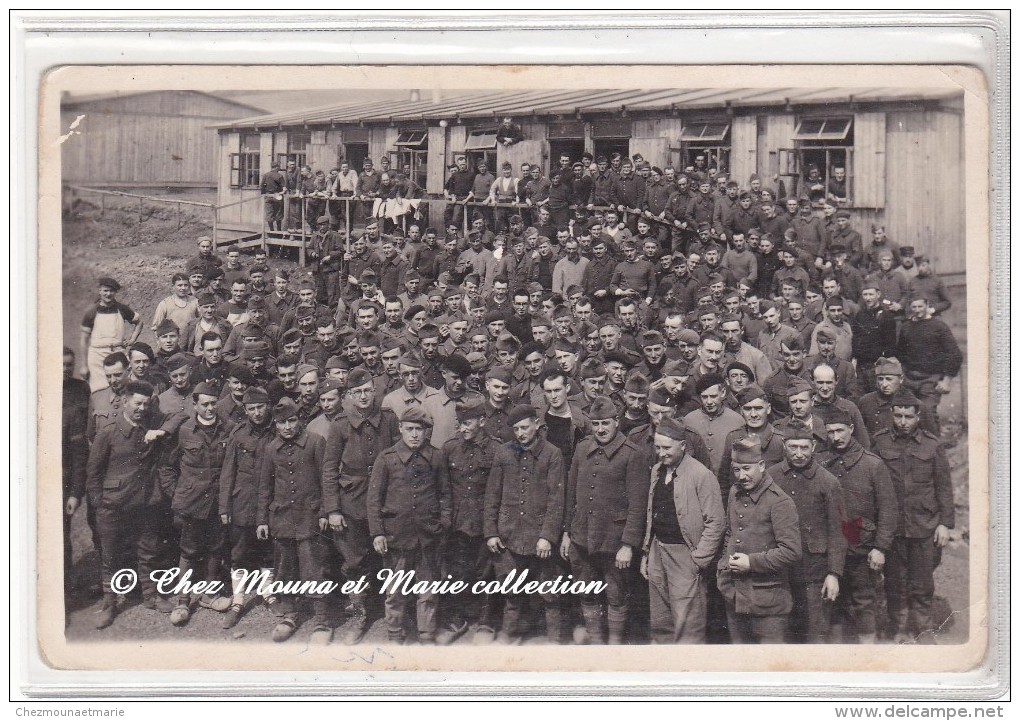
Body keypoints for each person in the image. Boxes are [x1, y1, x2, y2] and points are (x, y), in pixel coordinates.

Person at [562, 396, 649, 645]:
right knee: (587, 593)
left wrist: (628, 545)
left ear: (617, 422)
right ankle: (598, 645)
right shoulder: (582, 449)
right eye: (596, 423)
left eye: (606, 423)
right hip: (582, 538)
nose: (600, 429)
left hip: (614, 543)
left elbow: (637, 505)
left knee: (616, 596)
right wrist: (567, 532)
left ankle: (613, 648)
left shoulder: (633, 455)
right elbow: (571, 493)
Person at [322, 367, 400, 644]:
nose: (364, 396)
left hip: (384, 499)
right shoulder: (340, 424)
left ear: (375, 390)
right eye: (358, 392)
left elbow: (398, 459)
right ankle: (361, 613)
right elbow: (330, 469)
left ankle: (392, 612)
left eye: (368, 390)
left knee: (387, 555)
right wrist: (332, 509)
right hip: (352, 499)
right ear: (349, 395)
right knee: (354, 560)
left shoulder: (389, 420)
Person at [86, 381, 173, 628]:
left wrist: (160, 431)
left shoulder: (149, 428)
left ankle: (151, 596)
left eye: (146, 404)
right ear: (125, 402)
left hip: (144, 502)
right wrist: (98, 504)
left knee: (148, 550)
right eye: (137, 403)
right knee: (111, 556)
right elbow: (93, 473)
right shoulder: (108, 432)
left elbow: (178, 416)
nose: (142, 409)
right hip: (113, 505)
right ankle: (109, 603)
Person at [871, 389, 954, 644]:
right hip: (893, 527)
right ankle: (898, 628)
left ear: (918, 415)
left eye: (908, 416)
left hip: (924, 525)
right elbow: (873, 485)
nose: (903, 421)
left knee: (922, 582)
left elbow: (943, 487)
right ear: (892, 415)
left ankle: (924, 629)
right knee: (894, 581)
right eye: (898, 416)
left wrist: (945, 524)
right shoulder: (881, 442)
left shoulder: (932, 444)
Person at [483, 404, 567, 644]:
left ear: (537, 425)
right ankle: (510, 634)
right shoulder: (503, 453)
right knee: (511, 588)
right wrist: (491, 532)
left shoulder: (552, 454)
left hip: (540, 536)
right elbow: (492, 495)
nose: (520, 433)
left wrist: (547, 536)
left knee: (549, 591)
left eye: (524, 427)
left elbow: (556, 499)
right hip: (509, 534)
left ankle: (554, 640)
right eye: (516, 429)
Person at [368, 405, 452, 644]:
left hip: (428, 535)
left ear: (427, 432)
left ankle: (426, 632)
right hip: (397, 535)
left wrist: (443, 523)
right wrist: (378, 533)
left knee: (427, 588)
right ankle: (395, 632)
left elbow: (445, 494)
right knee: (395, 590)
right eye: (410, 429)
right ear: (401, 429)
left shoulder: (436, 457)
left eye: (420, 429)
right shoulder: (387, 458)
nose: (415, 434)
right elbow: (373, 500)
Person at [640, 416, 725, 644]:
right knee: (661, 623)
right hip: (659, 552)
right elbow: (651, 513)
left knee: (688, 626)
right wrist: (647, 553)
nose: (661, 453)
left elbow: (716, 522)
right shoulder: (657, 471)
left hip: (685, 556)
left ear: (683, 446)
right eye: (657, 447)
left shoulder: (701, 475)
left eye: (667, 448)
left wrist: (698, 560)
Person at [255, 398, 332, 643]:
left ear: (299, 420)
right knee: (284, 570)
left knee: (314, 570)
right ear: (275, 425)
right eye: (281, 423)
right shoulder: (271, 448)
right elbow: (265, 487)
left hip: (309, 517)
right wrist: (262, 520)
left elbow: (325, 481)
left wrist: (324, 513)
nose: (287, 427)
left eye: (291, 421)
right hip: (282, 520)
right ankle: (290, 614)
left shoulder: (315, 442)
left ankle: (322, 620)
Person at [818, 407, 897, 643]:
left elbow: (888, 509)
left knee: (864, 602)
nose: (836, 437)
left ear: (851, 429)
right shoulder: (821, 462)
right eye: (830, 432)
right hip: (830, 549)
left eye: (840, 431)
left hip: (861, 547)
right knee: (831, 602)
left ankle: (868, 654)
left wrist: (881, 547)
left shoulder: (873, 465)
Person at [716, 438, 802, 644]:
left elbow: (791, 551)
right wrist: (723, 565)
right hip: (735, 596)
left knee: (768, 665)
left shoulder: (779, 501)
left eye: (747, 468)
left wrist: (751, 562)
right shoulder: (735, 492)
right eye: (736, 470)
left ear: (762, 466)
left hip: (768, 602)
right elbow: (730, 532)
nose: (742, 476)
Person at [164, 382, 235, 627]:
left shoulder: (229, 429)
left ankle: (209, 594)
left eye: (213, 403)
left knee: (216, 547)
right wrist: (178, 493)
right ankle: (183, 600)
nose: (209, 408)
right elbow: (166, 466)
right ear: (195, 405)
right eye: (204, 404)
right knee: (189, 550)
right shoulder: (184, 431)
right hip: (192, 501)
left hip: (218, 500)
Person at [768, 428, 847, 643]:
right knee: (780, 634)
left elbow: (838, 532)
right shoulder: (771, 477)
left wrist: (834, 573)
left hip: (814, 571)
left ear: (813, 448)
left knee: (815, 633)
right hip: (779, 571)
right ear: (784, 446)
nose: (799, 453)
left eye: (804, 447)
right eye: (793, 447)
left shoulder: (828, 482)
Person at [895, 296, 963, 435]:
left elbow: (955, 354)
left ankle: (936, 450)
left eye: (920, 306)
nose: (917, 310)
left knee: (927, 413)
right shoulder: (906, 326)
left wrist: (946, 380)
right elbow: (900, 353)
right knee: (908, 415)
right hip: (909, 379)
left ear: (927, 305)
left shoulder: (939, 326)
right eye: (914, 307)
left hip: (931, 379)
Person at [80, 277, 142, 391]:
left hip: (118, 352)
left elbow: (139, 322)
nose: (108, 294)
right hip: (97, 357)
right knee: (98, 390)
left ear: (115, 292)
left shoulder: (122, 309)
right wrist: (84, 365)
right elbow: (84, 339)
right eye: (105, 290)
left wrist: (132, 339)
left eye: (111, 291)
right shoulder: (91, 312)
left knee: (124, 387)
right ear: (100, 291)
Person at [260, 161, 286, 232]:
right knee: (279, 213)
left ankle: (271, 230)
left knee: (269, 213)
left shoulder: (265, 175)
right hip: (277, 196)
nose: (279, 168)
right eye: (279, 166)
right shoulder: (279, 176)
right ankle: (278, 231)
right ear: (276, 167)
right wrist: (282, 192)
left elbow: (262, 187)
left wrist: (264, 194)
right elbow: (284, 187)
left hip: (268, 196)